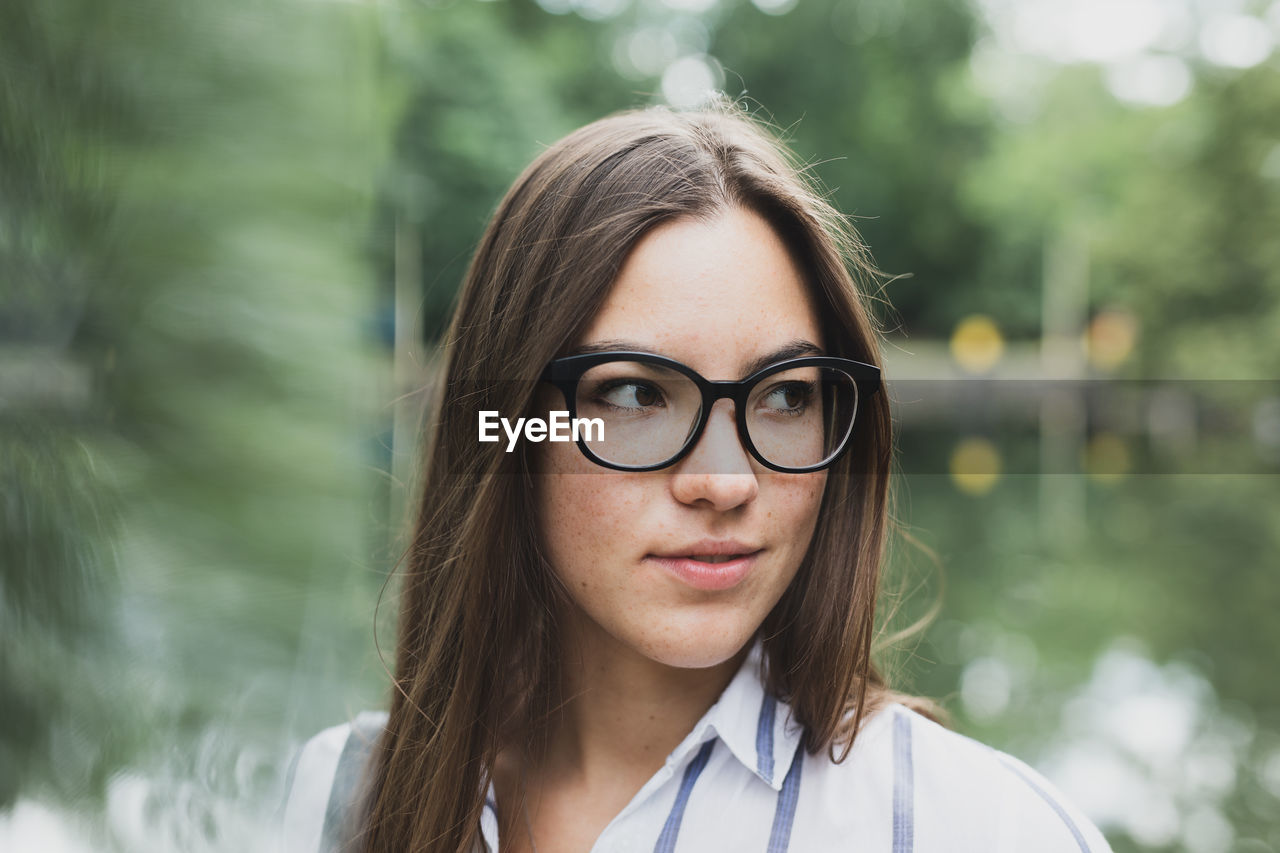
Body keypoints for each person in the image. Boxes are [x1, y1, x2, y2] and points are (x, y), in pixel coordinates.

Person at [281, 102, 1113, 853]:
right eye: (637, 393)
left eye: (788, 395)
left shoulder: (981, 830)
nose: (724, 480)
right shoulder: (340, 796)